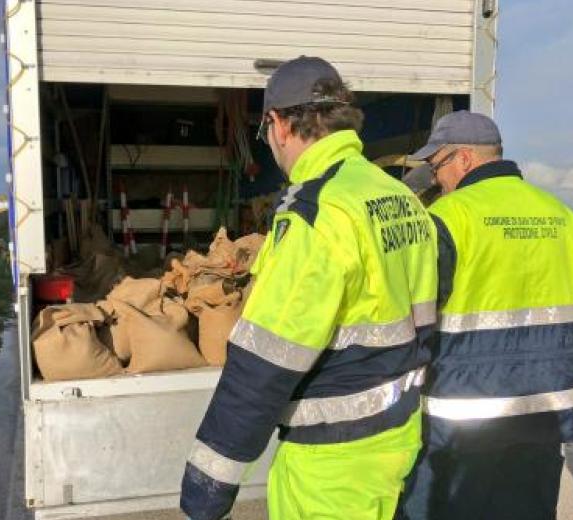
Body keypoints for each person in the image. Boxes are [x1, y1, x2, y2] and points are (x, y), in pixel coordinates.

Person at [180, 56, 438, 520]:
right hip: (396, 438)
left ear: (278, 125)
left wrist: (206, 489)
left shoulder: (317, 214)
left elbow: (264, 362)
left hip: (331, 463)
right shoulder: (398, 196)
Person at [398, 111, 573, 520]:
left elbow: (417, 322)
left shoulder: (449, 218)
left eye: (437, 166)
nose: (437, 179)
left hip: (463, 418)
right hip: (544, 411)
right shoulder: (563, 217)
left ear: (463, 159)